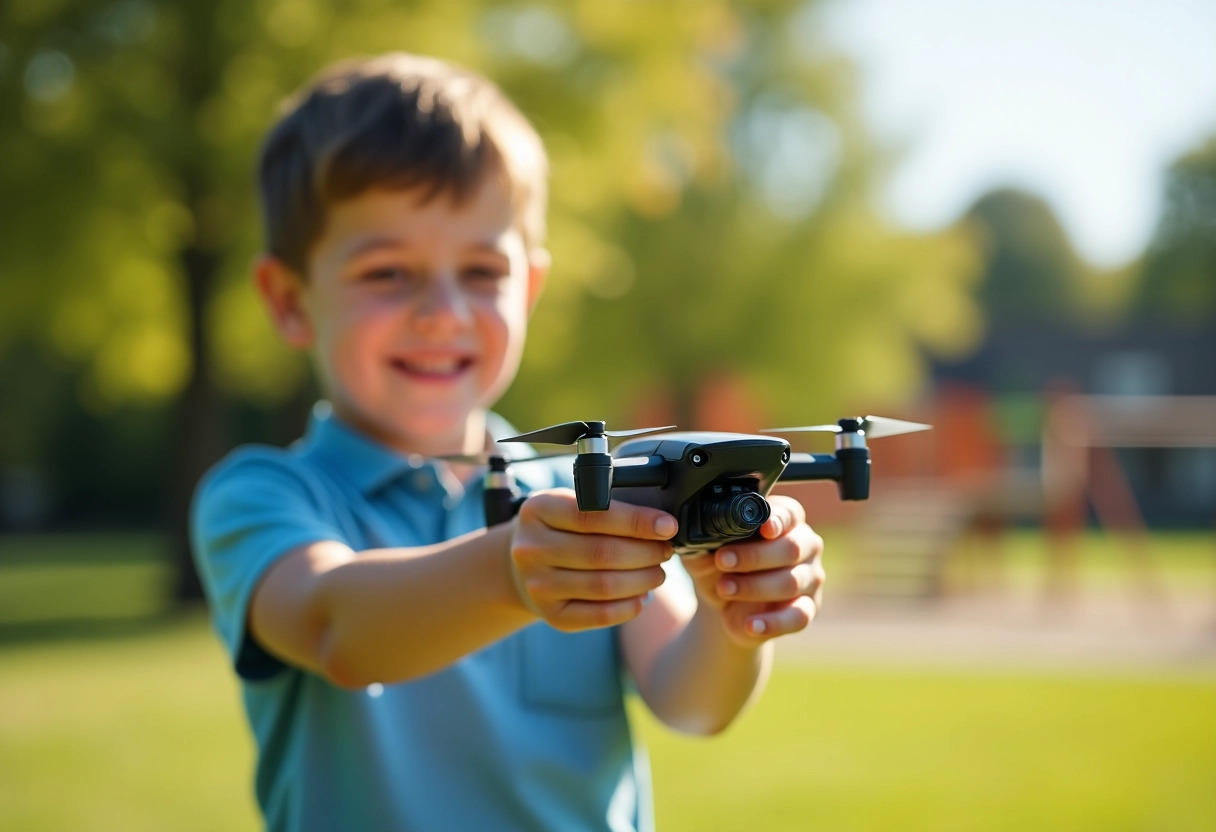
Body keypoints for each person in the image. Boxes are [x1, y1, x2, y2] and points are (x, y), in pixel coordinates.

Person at [191, 52, 826, 832]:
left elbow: (687, 701)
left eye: (482, 270)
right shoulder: (262, 495)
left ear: (529, 288)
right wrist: (511, 575)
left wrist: (732, 619)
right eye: (388, 272)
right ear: (289, 301)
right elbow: (335, 628)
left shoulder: (590, 488)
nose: (442, 311)